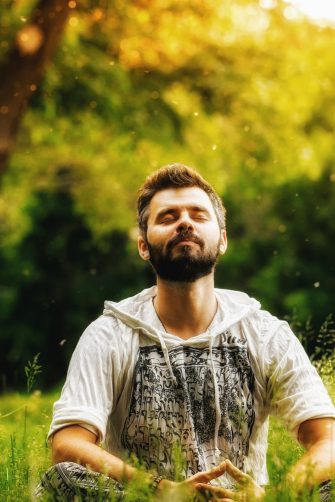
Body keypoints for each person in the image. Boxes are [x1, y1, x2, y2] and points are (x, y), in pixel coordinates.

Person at [36, 164, 335, 501]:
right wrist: (161, 492)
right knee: (59, 480)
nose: (184, 222)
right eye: (167, 217)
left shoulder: (266, 334)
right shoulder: (109, 335)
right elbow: (68, 444)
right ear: (144, 246)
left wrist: (273, 496)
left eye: (198, 214)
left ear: (222, 240)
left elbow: (329, 440)